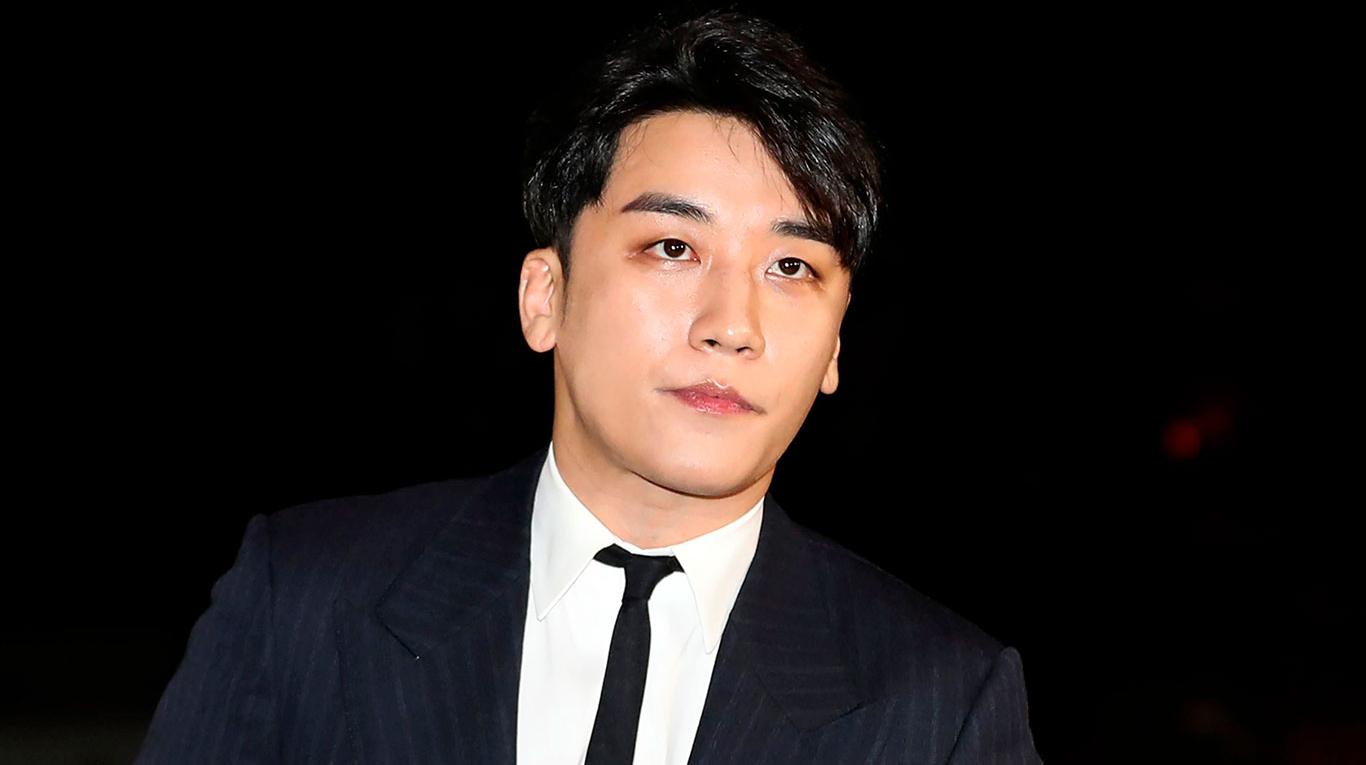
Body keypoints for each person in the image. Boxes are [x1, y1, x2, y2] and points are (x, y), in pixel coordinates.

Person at [135, 9, 1044, 764]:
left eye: (791, 267)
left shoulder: (944, 702)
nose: (733, 323)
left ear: (837, 343)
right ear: (546, 296)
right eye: (674, 247)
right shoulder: (302, 601)